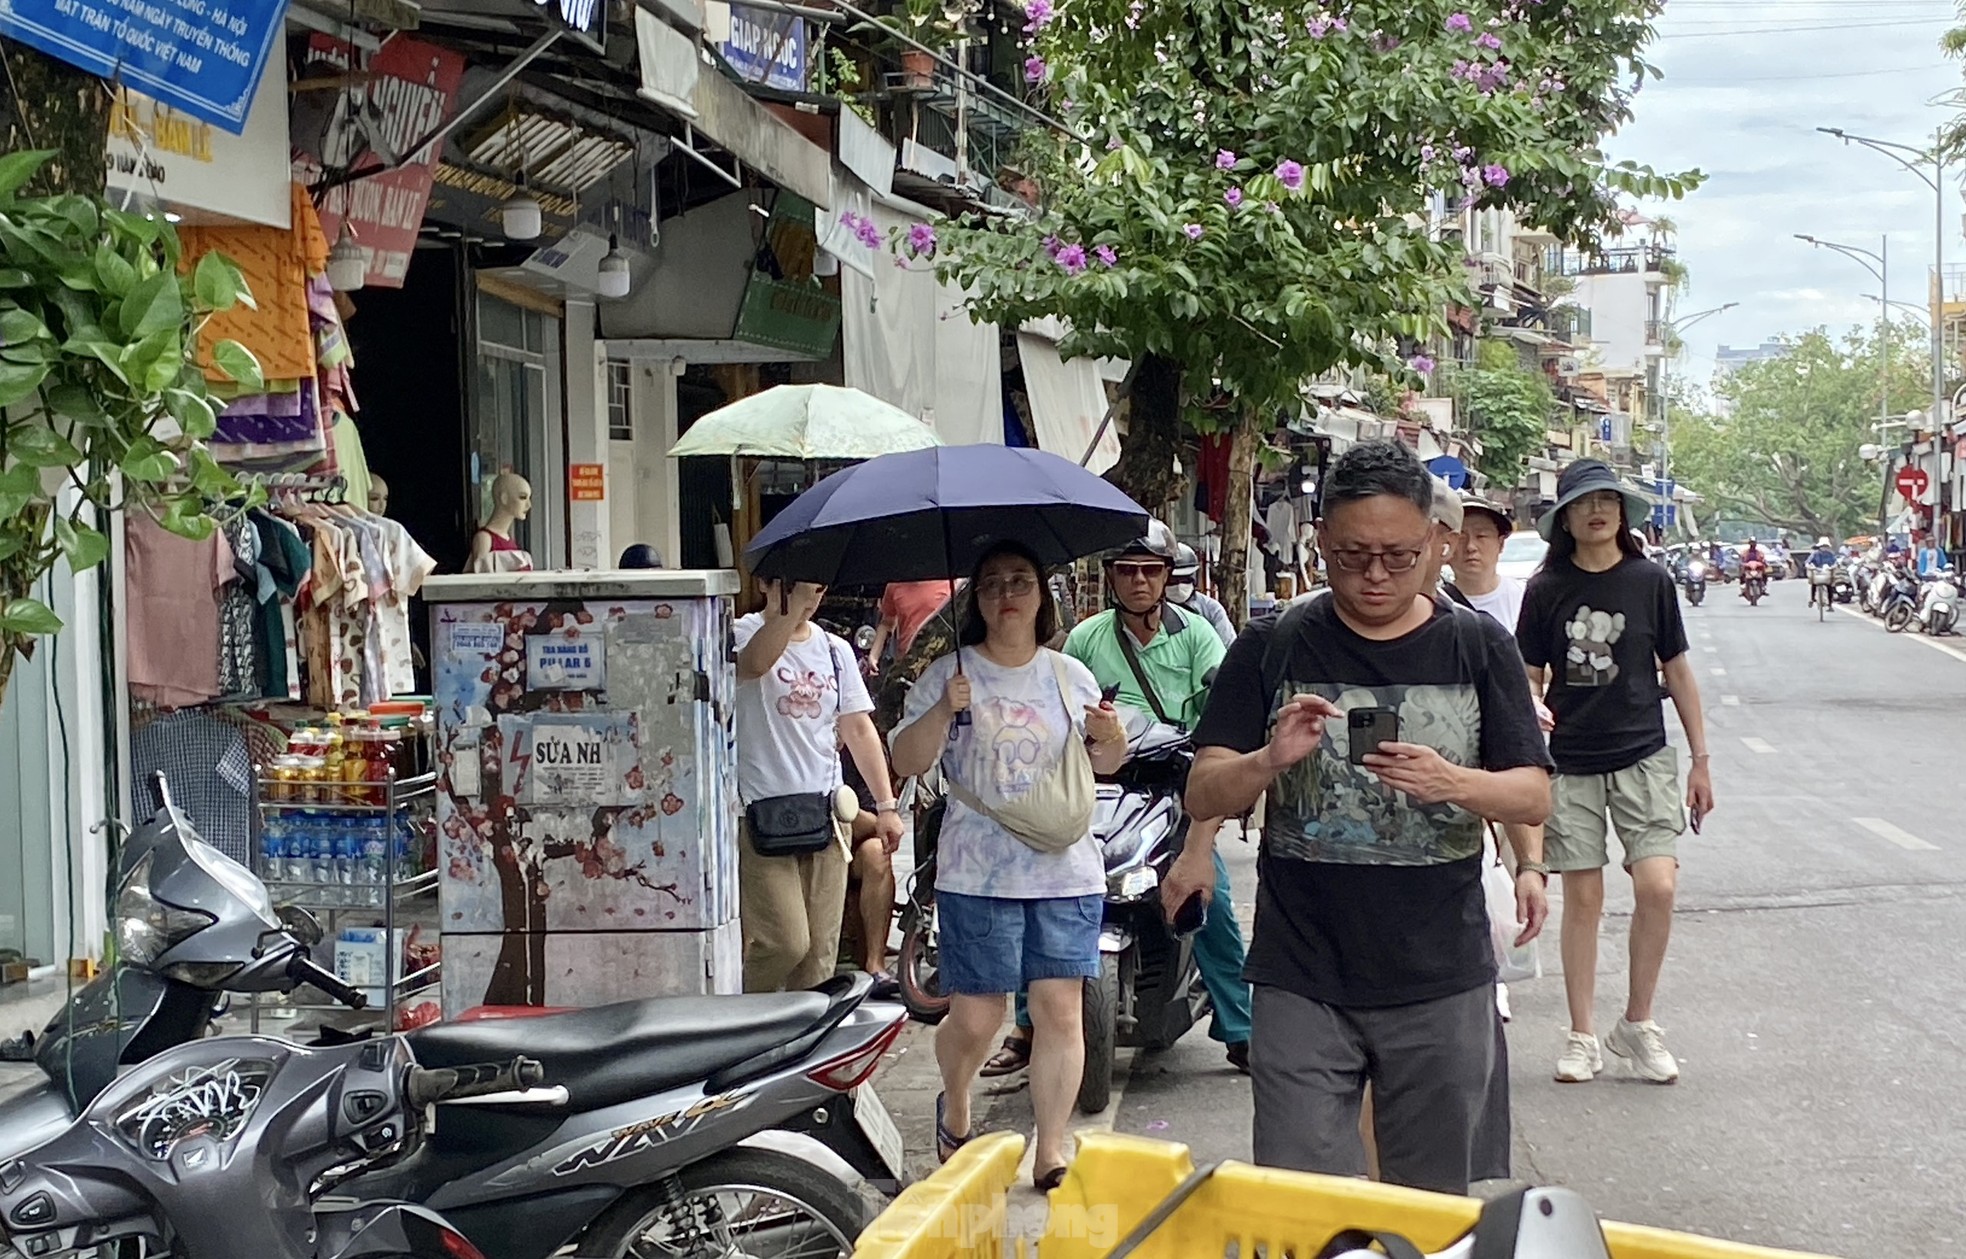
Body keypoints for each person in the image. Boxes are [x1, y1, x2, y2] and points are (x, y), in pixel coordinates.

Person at [1185, 440, 1552, 1195]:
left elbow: (1533, 793)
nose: (1376, 575)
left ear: (1433, 542)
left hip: (1441, 975)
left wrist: (1454, 782)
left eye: (1399, 554)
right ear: (1319, 541)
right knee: (1304, 1204)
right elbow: (1202, 791)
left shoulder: (1478, 645)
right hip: (1302, 972)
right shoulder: (1273, 642)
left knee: (1427, 1208)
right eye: (1352, 556)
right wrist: (1268, 761)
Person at [889, 542, 1128, 1190]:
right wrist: (943, 708)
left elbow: (1104, 763)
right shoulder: (948, 675)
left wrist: (1109, 736)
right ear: (977, 600)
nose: (1007, 593)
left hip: (1065, 868)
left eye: (1020, 580)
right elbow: (907, 759)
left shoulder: (1067, 674)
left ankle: (1051, 1147)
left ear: (1041, 595)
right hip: (978, 871)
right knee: (977, 1015)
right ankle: (958, 1100)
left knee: (1059, 1008)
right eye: (992, 583)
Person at [984, 525, 1253, 1078]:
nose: (1138, 581)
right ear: (1110, 578)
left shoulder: (1197, 635)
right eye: (1126, 570)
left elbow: (1224, 710)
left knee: (1210, 898)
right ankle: (1025, 1024)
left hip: (1172, 785)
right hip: (1096, 783)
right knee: (1041, 891)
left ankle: (1241, 1026)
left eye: (1150, 570)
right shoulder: (1084, 639)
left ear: (1167, 577)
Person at [1515, 460, 1715, 1086]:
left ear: (1623, 514)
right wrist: (1532, 710)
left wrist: (1701, 760)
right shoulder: (1545, 590)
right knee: (1584, 897)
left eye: (1607, 500)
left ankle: (1637, 1022)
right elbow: (1530, 674)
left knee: (1657, 884)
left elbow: (1676, 668)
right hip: (1570, 762)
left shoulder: (1649, 580)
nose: (1597, 511)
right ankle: (1580, 1036)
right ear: (1564, 520)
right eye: (1583, 503)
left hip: (1644, 755)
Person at [735, 580, 905, 992]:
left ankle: (803, 1047)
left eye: (818, 589)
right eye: (801, 587)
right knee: (784, 942)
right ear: (767, 584)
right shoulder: (741, 632)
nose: (812, 599)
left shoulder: (835, 649)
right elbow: (754, 664)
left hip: (826, 816)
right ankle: (744, 1024)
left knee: (818, 958)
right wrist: (785, 612)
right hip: (759, 814)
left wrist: (886, 805)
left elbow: (859, 727)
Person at [1454, 496, 1527, 632]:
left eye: (1481, 536)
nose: (1470, 547)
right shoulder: (1434, 604)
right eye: (1461, 537)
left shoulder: (1525, 598)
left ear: (1500, 544)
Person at [866, 580, 964, 676]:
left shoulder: (950, 582)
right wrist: (874, 655)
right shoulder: (895, 585)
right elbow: (886, 624)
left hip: (941, 660)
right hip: (907, 662)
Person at [1169, 543, 1237, 648]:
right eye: (1173, 580)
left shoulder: (1211, 609)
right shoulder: (1152, 611)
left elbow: (1229, 647)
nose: (1179, 585)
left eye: (1184, 579)